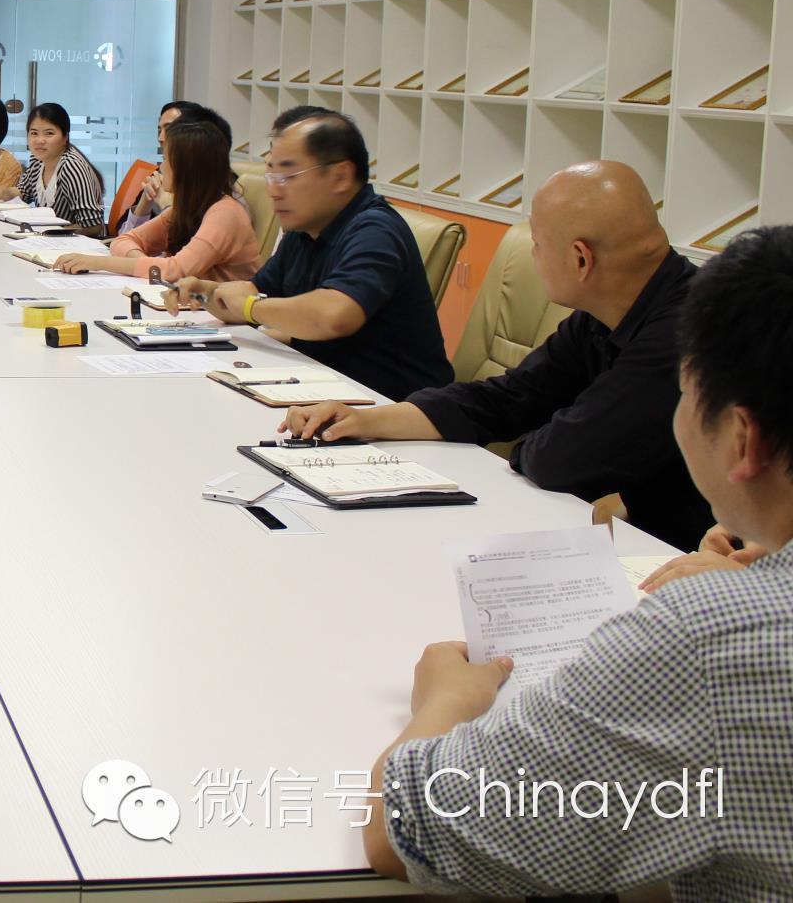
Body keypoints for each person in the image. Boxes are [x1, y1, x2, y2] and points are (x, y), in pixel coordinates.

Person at [365, 225, 793, 900]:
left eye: (685, 395)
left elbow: (405, 828)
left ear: (742, 437)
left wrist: (448, 698)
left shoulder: (708, 638)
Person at [281, 161, 711, 550]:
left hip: (684, 557)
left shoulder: (687, 334)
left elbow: (560, 460)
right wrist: (367, 420)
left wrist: (526, 446)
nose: (534, 256)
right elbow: (509, 397)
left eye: (537, 245)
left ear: (581, 259)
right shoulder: (607, 313)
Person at [169, 108, 450, 401]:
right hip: (322, 387)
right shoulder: (305, 230)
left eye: (287, 175)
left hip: (390, 406)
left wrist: (249, 307)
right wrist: (205, 293)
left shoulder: (376, 230)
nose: (273, 191)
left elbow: (333, 316)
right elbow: (251, 296)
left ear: (340, 176)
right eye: (271, 174)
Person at [53, 117, 261, 283]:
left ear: (188, 169)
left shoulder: (224, 213)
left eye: (166, 160)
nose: (160, 167)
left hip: (224, 317)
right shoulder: (189, 207)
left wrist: (98, 263)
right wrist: (147, 265)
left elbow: (175, 270)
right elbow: (122, 241)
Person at [0, 103, 106, 236]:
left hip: (75, 243)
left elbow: (93, 226)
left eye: (49, 133)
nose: (40, 140)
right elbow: (23, 193)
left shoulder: (71, 167)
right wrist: (3, 191)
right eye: (34, 133)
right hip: (48, 240)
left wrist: (49, 234)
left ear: (65, 137)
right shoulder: (38, 160)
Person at [118, 99, 207, 234]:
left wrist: (167, 205)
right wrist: (145, 201)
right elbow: (124, 235)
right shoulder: (162, 172)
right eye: (159, 130)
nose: (161, 138)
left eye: (169, 129)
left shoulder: (212, 183)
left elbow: (188, 242)